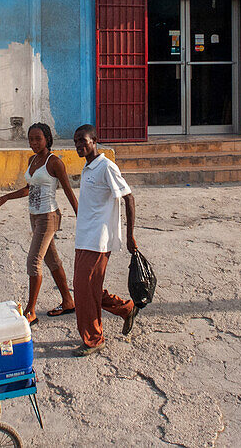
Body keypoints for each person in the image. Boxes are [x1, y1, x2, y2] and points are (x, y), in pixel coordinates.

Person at [0, 122, 77, 325]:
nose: (34, 143)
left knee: (34, 261)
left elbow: (67, 190)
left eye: (38, 139)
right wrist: (6, 197)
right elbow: (28, 189)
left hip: (49, 216)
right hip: (35, 216)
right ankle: (68, 301)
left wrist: (81, 216)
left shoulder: (54, 162)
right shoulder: (32, 160)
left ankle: (31, 311)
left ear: (47, 139)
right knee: (52, 260)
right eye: (31, 139)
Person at [70, 124, 139, 357]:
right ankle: (126, 308)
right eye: (76, 141)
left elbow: (128, 198)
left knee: (84, 289)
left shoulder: (106, 166)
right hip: (84, 238)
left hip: (99, 239)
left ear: (95, 140)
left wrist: (129, 236)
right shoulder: (88, 168)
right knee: (84, 289)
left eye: (83, 140)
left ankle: (94, 339)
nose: (80, 145)